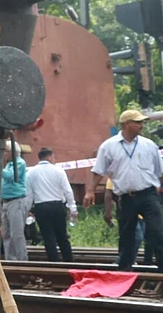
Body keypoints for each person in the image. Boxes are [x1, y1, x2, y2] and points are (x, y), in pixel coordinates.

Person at [85, 109, 163, 272]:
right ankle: (124, 270)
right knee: (127, 235)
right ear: (127, 124)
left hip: (148, 195)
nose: (142, 125)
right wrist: (90, 191)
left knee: (157, 231)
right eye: (138, 122)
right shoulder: (109, 146)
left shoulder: (149, 145)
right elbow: (98, 171)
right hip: (126, 197)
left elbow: (159, 172)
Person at [25, 147, 75, 262]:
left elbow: (29, 194)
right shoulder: (59, 171)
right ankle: (69, 261)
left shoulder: (31, 173)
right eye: (53, 157)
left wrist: (28, 209)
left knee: (48, 237)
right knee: (62, 235)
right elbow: (68, 190)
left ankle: (54, 262)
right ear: (48, 157)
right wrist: (72, 208)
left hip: (41, 208)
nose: (54, 160)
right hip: (58, 206)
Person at [0, 142, 30, 261]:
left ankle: (22, 260)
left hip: (16, 201)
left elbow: (10, 176)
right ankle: (10, 259)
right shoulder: (9, 164)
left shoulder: (19, 163)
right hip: (7, 202)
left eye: (5, 151)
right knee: (7, 234)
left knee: (16, 234)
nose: (4, 154)